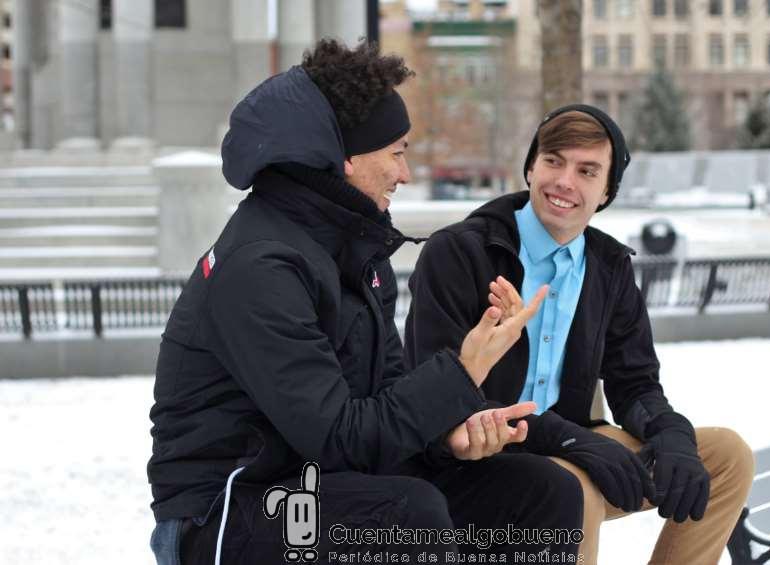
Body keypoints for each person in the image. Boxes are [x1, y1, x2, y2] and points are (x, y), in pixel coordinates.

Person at [147, 39, 584, 565]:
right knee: (404, 515)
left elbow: (383, 399)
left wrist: (450, 436)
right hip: (223, 514)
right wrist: (464, 370)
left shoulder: (354, 252)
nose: (405, 173)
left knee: (541, 490)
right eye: (397, 151)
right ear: (345, 159)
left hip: (327, 484)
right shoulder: (261, 266)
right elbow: (337, 436)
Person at [404, 104, 756, 564]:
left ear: (607, 189)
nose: (565, 182)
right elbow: (436, 390)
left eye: (587, 170)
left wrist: (670, 434)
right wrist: (571, 440)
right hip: (478, 453)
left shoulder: (607, 268)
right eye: (554, 161)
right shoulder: (461, 252)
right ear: (531, 166)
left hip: (574, 444)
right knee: (574, 490)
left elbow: (635, 383)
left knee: (726, 456)